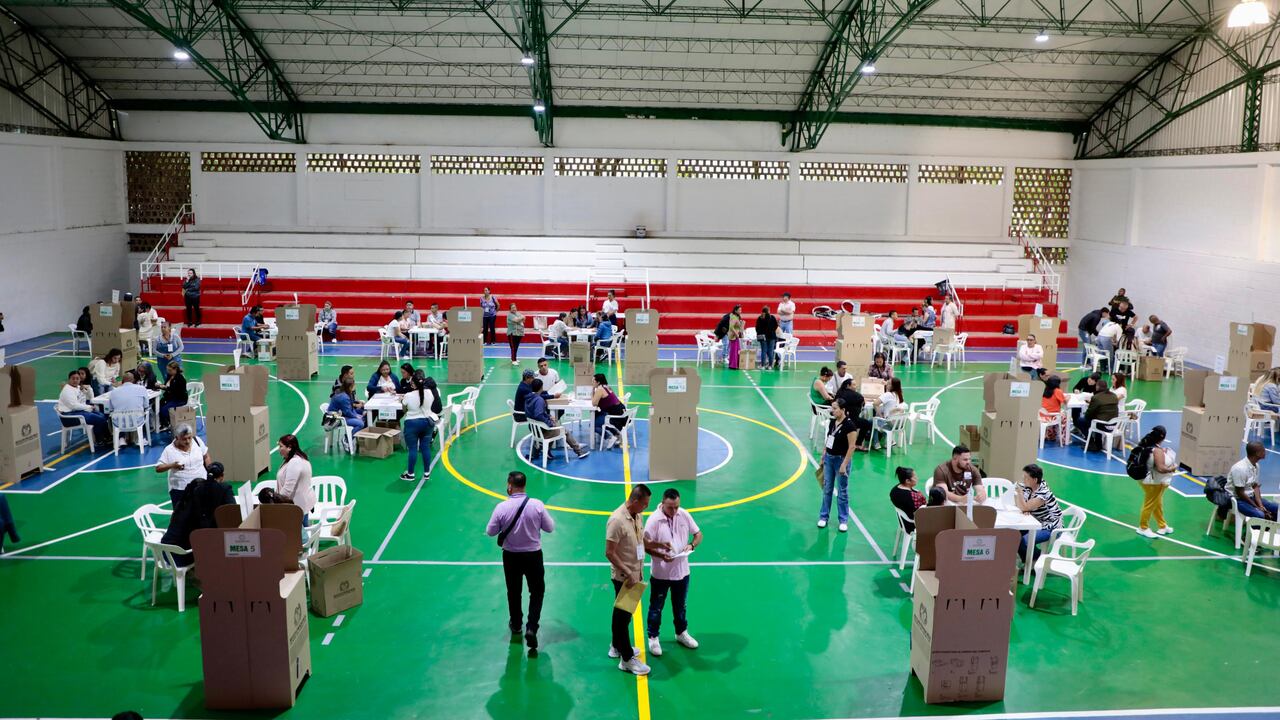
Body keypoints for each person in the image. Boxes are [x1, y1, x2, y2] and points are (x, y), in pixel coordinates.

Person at [486, 471, 554, 656]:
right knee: (537, 591)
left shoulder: (501, 507)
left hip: (511, 557)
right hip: (533, 556)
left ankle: (516, 624)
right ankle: (532, 626)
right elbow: (550, 527)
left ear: (510, 485)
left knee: (514, 591)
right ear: (524, 485)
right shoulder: (537, 505)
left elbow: (490, 531)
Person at [644, 488, 702, 657]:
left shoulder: (683, 514)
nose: (674, 511)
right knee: (656, 607)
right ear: (662, 503)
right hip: (661, 574)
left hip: (682, 572)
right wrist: (661, 555)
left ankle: (681, 633)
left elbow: (698, 534)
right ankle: (653, 637)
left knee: (680, 606)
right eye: (670, 507)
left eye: (677, 506)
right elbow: (645, 546)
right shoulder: (653, 521)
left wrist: (691, 545)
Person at [605, 484, 654, 676]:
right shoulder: (616, 520)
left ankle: (616, 646)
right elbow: (609, 552)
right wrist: (628, 571)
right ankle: (626, 659)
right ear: (635, 502)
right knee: (622, 617)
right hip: (625, 577)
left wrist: (657, 547)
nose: (646, 508)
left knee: (622, 614)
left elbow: (640, 541)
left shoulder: (637, 515)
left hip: (636, 573)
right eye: (644, 504)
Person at [160, 462, 234, 567]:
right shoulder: (198, 515)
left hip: (165, 552)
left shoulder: (181, 508)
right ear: (222, 476)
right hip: (182, 556)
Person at [525, 378, 589, 459]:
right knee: (564, 431)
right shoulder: (539, 400)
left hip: (534, 429)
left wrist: (548, 416)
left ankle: (541, 452)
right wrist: (549, 423)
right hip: (542, 431)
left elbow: (534, 414)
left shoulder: (528, 398)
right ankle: (579, 452)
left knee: (554, 427)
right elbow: (538, 415)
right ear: (541, 388)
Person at [818, 400, 857, 532]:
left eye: (835, 408)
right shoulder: (832, 422)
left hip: (841, 460)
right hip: (829, 459)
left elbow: (852, 447)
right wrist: (823, 455)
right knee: (827, 488)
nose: (832, 411)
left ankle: (843, 520)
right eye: (832, 408)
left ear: (843, 409)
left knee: (842, 491)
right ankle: (823, 517)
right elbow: (829, 438)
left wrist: (844, 465)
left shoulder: (850, 426)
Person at [1012, 464, 1062, 562]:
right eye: (1023, 476)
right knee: (1013, 533)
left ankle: (1039, 560)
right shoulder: (1031, 486)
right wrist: (1026, 508)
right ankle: (1031, 560)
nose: (1023, 479)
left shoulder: (1043, 493)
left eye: (1026, 478)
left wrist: (1020, 495)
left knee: (1023, 541)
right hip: (1036, 522)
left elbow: (1023, 507)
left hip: (1050, 527)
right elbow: (1024, 507)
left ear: (1035, 480)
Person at [1135, 426, 1177, 537]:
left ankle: (1162, 526)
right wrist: (1173, 468)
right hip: (1153, 482)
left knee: (1157, 503)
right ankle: (1143, 527)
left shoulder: (1146, 445)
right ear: (1162, 437)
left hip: (1146, 479)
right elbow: (1161, 468)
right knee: (1149, 504)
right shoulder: (1157, 450)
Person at [400, 370, 441, 482]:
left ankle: (411, 474)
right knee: (425, 448)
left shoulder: (408, 395)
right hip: (427, 424)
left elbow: (404, 409)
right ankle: (427, 473)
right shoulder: (429, 393)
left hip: (412, 424)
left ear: (413, 384)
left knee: (413, 449)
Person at [155, 424, 211, 506]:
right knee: (182, 516)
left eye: (189, 438)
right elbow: (158, 468)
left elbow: (206, 456)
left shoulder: (197, 441)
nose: (188, 441)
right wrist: (172, 465)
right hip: (180, 490)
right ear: (177, 438)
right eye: (184, 439)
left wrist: (210, 473)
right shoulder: (169, 450)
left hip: (201, 485)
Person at [56, 370, 109, 444]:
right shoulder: (67, 390)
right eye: (73, 378)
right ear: (69, 379)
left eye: (77, 378)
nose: (75, 380)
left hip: (76, 412)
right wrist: (88, 407)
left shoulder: (77, 388)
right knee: (99, 419)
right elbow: (74, 406)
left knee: (101, 415)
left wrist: (89, 389)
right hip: (69, 417)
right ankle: (101, 440)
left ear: (80, 379)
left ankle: (104, 438)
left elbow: (87, 399)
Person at [1228, 442, 1276, 521]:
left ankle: (1269, 530)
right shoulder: (1240, 469)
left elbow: (1255, 486)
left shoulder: (1256, 466)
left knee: (1276, 508)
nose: (1265, 452)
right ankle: (1252, 533)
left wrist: (1261, 505)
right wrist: (1256, 507)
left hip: (1251, 496)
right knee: (1260, 515)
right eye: (1263, 450)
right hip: (1238, 500)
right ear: (1257, 453)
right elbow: (1240, 493)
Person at [275, 434, 315, 524]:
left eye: (281, 446)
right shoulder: (300, 458)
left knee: (299, 536)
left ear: (289, 447)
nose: (279, 449)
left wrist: (275, 503)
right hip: (302, 504)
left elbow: (288, 489)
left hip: (297, 507)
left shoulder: (295, 463)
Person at [592, 373, 627, 449]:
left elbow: (594, 403)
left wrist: (592, 391)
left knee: (593, 425)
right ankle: (617, 434)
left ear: (598, 382)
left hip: (615, 416)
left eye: (593, 381)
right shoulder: (607, 387)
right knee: (599, 415)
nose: (592, 382)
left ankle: (609, 437)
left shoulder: (600, 389)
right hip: (621, 411)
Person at [869, 377, 905, 450]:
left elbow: (875, 404)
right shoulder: (899, 394)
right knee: (880, 418)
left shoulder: (888, 394)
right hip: (898, 423)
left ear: (892, 386)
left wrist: (880, 415)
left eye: (888, 383)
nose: (886, 385)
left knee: (872, 420)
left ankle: (876, 442)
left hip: (888, 423)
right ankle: (888, 441)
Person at [889, 466, 926, 533]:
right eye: (914, 477)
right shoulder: (912, 498)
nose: (917, 478)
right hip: (912, 524)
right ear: (907, 481)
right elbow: (922, 511)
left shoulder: (895, 489)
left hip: (902, 520)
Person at [158, 362, 188, 431]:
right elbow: (167, 385)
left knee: (164, 410)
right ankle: (165, 422)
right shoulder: (169, 376)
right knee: (156, 405)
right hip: (170, 397)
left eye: (170, 370)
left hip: (179, 399)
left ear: (175, 369)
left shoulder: (180, 379)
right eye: (168, 370)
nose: (168, 372)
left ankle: (171, 423)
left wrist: (165, 388)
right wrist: (161, 386)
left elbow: (176, 391)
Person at [1040, 377, 1068, 444]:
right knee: (1064, 418)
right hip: (1051, 416)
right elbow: (1065, 402)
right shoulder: (1057, 391)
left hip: (1042, 415)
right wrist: (1068, 397)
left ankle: (1051, 435)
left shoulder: (1044, 390)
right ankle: (1064, 439)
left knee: (1059, 413)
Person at [726, 305, 744, 370]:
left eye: (741, 310)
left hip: (736, 336)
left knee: (737, 350)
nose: (740, 311)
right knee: (734, 351)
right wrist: (736, 333)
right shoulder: (734, 317)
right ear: (735, 310)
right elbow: (731, 326)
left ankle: (735, 364)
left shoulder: (736, 317)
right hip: (734, 337)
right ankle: (733, 365)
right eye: (739, 310)